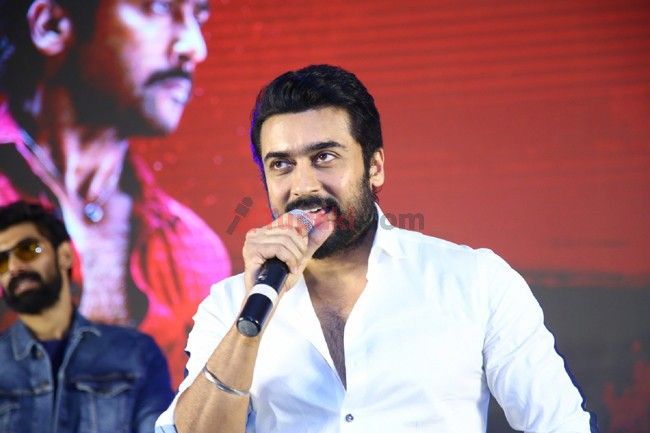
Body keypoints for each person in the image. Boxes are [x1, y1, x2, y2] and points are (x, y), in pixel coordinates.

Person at [156, 64, 597, 433]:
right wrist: (251, 321)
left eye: (325, 157)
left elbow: (559, 424)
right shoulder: (230, 305)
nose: (303, 185)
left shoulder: (475, 281)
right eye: (282, 164)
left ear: (375, 167)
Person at [0, 0, 231, 386]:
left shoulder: (193, 252)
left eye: (199, 16)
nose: (194, 47)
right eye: (159, 7)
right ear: (51, 25)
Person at [0, 201, 174, 433]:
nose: (14, 267)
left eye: (28, 250)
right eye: (2, 261)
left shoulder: (135, 353)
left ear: (64, 255)